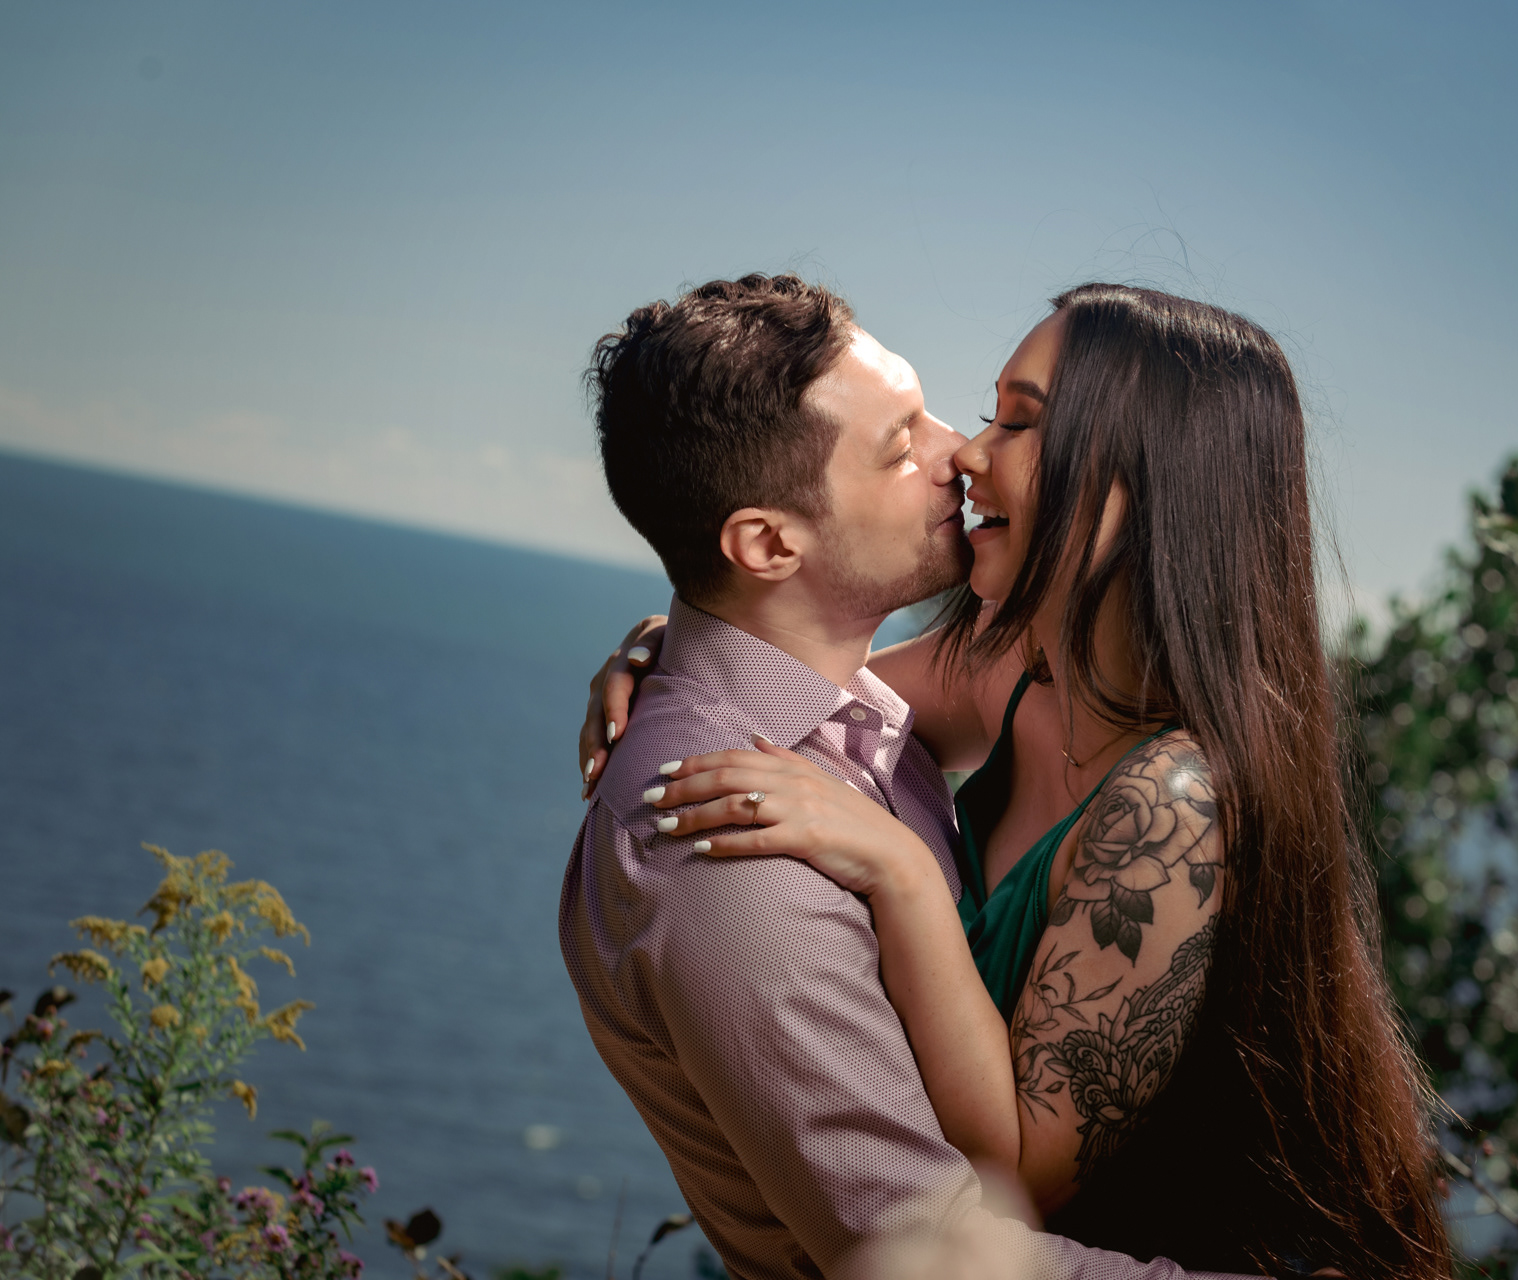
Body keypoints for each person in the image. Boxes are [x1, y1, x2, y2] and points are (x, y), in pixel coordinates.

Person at [582, 284, 1452, 1277]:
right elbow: (785, 668)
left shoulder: (1166, 802)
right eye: (987, 413)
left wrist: (900, 871)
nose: (965, 449)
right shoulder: (1018, 669)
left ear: (1143, 483)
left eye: (1020, 422)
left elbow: (1020, 1178)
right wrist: (673, 648)